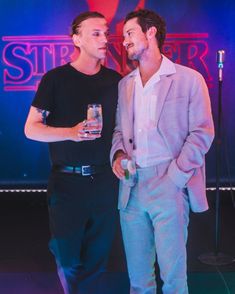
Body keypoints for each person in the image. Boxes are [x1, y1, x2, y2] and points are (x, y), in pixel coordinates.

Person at [111, 9, 214, 294]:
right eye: (123, 38)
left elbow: (203, 132)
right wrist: (118, 155)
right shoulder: (125, 85)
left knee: (173, 280)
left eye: (129, 33)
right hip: (131, 187)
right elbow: (119, 132)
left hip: (169, 183)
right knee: (139, 280)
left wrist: (176, 176)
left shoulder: (189, 79)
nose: (124, 42)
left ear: (151, 31)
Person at [25, 11, 122, 294]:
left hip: (105, 182)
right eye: (96, 33)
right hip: (67, 184)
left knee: (98, 261)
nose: (105, 39)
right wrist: (70, 132)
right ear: (76, 39)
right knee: (67, 259)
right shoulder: (55, 79)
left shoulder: (116, 81)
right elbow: (31, 129)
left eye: (106, 33)